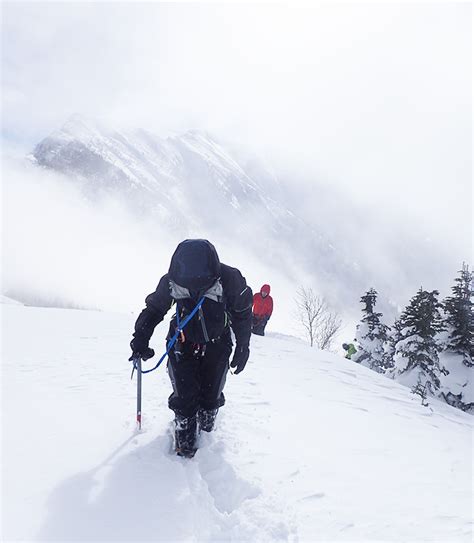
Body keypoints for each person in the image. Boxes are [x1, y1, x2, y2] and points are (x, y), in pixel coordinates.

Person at [129, 239, 253, 458]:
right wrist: (140, 338)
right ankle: (184, 433)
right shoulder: (172, 281)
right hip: (182, 341)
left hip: (217, 342)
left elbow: (243, 313)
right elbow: (155, 309)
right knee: (185, 397)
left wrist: (243, 345)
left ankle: (207, 414)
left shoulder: (229, 279)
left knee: (211, 394)